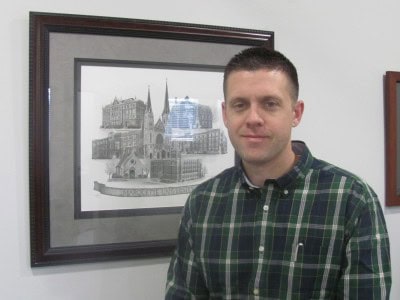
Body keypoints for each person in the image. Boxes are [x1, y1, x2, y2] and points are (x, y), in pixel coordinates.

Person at [165, 47, 391, 299]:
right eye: (240, 105)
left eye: (269, 104)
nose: (253, 118)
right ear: (226, 115)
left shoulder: (351, 199)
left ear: (296, 113)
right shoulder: (202, 202)